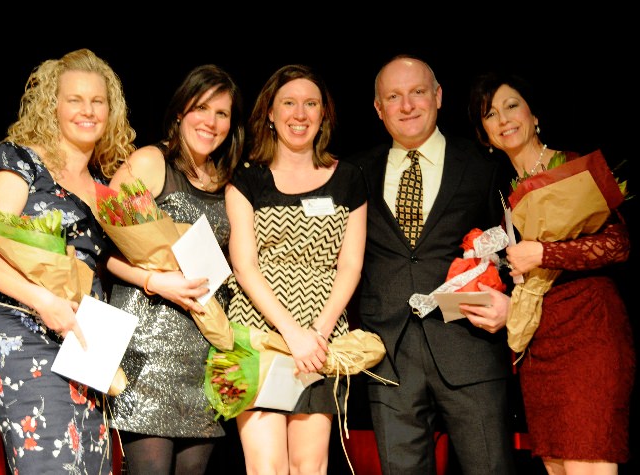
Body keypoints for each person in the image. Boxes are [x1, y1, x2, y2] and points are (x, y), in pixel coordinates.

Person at [0, 48, 136, 473]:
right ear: (52, 106)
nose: (88, 111)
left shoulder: (102, 184)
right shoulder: (20, 162)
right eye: (74, 100)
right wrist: (43, 302)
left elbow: (108, 263)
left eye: (97, 101)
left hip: (85, 341)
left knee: (90, 465)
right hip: (26, 334)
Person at [347, 54, 516, 474]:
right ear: (378, 108)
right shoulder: (353, 173)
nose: (407, 106)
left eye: (418, 92)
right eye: (394, 96)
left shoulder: (484, 164)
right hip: (389, 357)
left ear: (438, 96)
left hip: (470, 347)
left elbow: (515, 247)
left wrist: (509, 302)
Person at [468, 71, 635, 475]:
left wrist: (543, 251)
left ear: (533, 113)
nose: (504, 119)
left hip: (589, 328)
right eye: (490, 114)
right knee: (557, 463)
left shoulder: (573, 168)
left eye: (512, 105)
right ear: (483, 132)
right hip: (537, 341)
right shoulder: (497, 193)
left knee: (588, 459)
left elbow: (618, 245)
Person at [225, 64, 367, 474]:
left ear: (324, 114)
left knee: (310, 466)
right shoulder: (247, 178)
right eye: (289, 103)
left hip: (322, 339)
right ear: (270, 112)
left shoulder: (348, 179)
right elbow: (245, 266)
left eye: (311, 104)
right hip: (257, 333)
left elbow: (350, 265)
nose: (300, 114)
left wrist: (316, 336)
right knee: (266, 466)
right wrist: (291, 333)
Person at [105, 64, 244, 475]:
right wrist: (154, 280)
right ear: (181, 111)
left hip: (203, 349)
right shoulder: (151, 161)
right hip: (148, 348)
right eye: (202, 108)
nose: (211, 121)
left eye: (222, 113)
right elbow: (102, 250)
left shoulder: (229, 180)